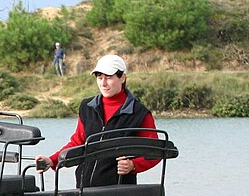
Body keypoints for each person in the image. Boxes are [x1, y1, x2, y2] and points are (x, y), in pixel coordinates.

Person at [35, 54, 159, 187]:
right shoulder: (87, 107)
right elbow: (78, 142)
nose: (103, 83)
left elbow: (156, 152)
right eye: (100, 78)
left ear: (122, 77)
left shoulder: (140, 113)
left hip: (119, 193)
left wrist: (133, 165)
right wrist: (52, 160)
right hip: (84, 189)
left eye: (109, 78)